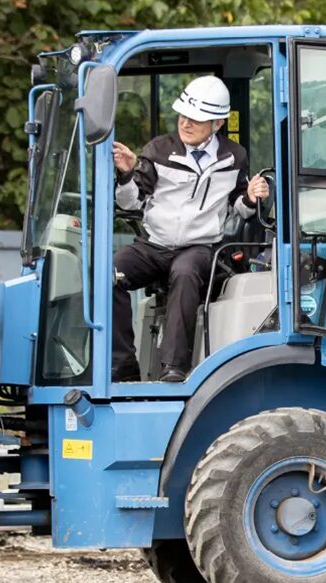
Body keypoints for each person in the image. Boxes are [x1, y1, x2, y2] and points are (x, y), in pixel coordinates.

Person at [110, 75, 269, 383]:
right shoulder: (158, 150)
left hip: (198, 248)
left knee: (184, 273)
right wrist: (127, 174)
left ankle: (173, 368)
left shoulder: (234, 157)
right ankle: (123, 363)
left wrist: (250, 197)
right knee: (109, 274)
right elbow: (131, 203)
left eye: (196, 118)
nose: (186, 123)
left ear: (217, 124)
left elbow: (238, 207)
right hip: (153, 245)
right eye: (183, 115)